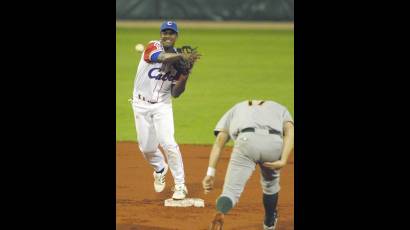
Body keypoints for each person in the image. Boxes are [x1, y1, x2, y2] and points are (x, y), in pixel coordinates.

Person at [131, 21, 199, 200]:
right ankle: (160, 168)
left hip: (162, 105)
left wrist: (185, 75)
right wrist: (180, 58)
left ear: (176, 36)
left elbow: (176, 93)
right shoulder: (153, 46)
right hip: (140, 104)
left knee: (168, 143)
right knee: (146, 148)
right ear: (161, 35)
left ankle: (180, 185)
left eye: (171, 33)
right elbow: (161, 58)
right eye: (164, 32)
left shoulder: (179, 62)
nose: (167, 36)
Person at [202, 100, 294, 230]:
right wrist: (283, 159)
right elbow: (290, 131)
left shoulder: (236, 108)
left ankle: (220, 213)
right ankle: (269, 222)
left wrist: (210, 173)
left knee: (230, 192)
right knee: (270, 185)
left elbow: (219, 141)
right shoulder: (280, 108)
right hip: (273, 144)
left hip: (246, 142)